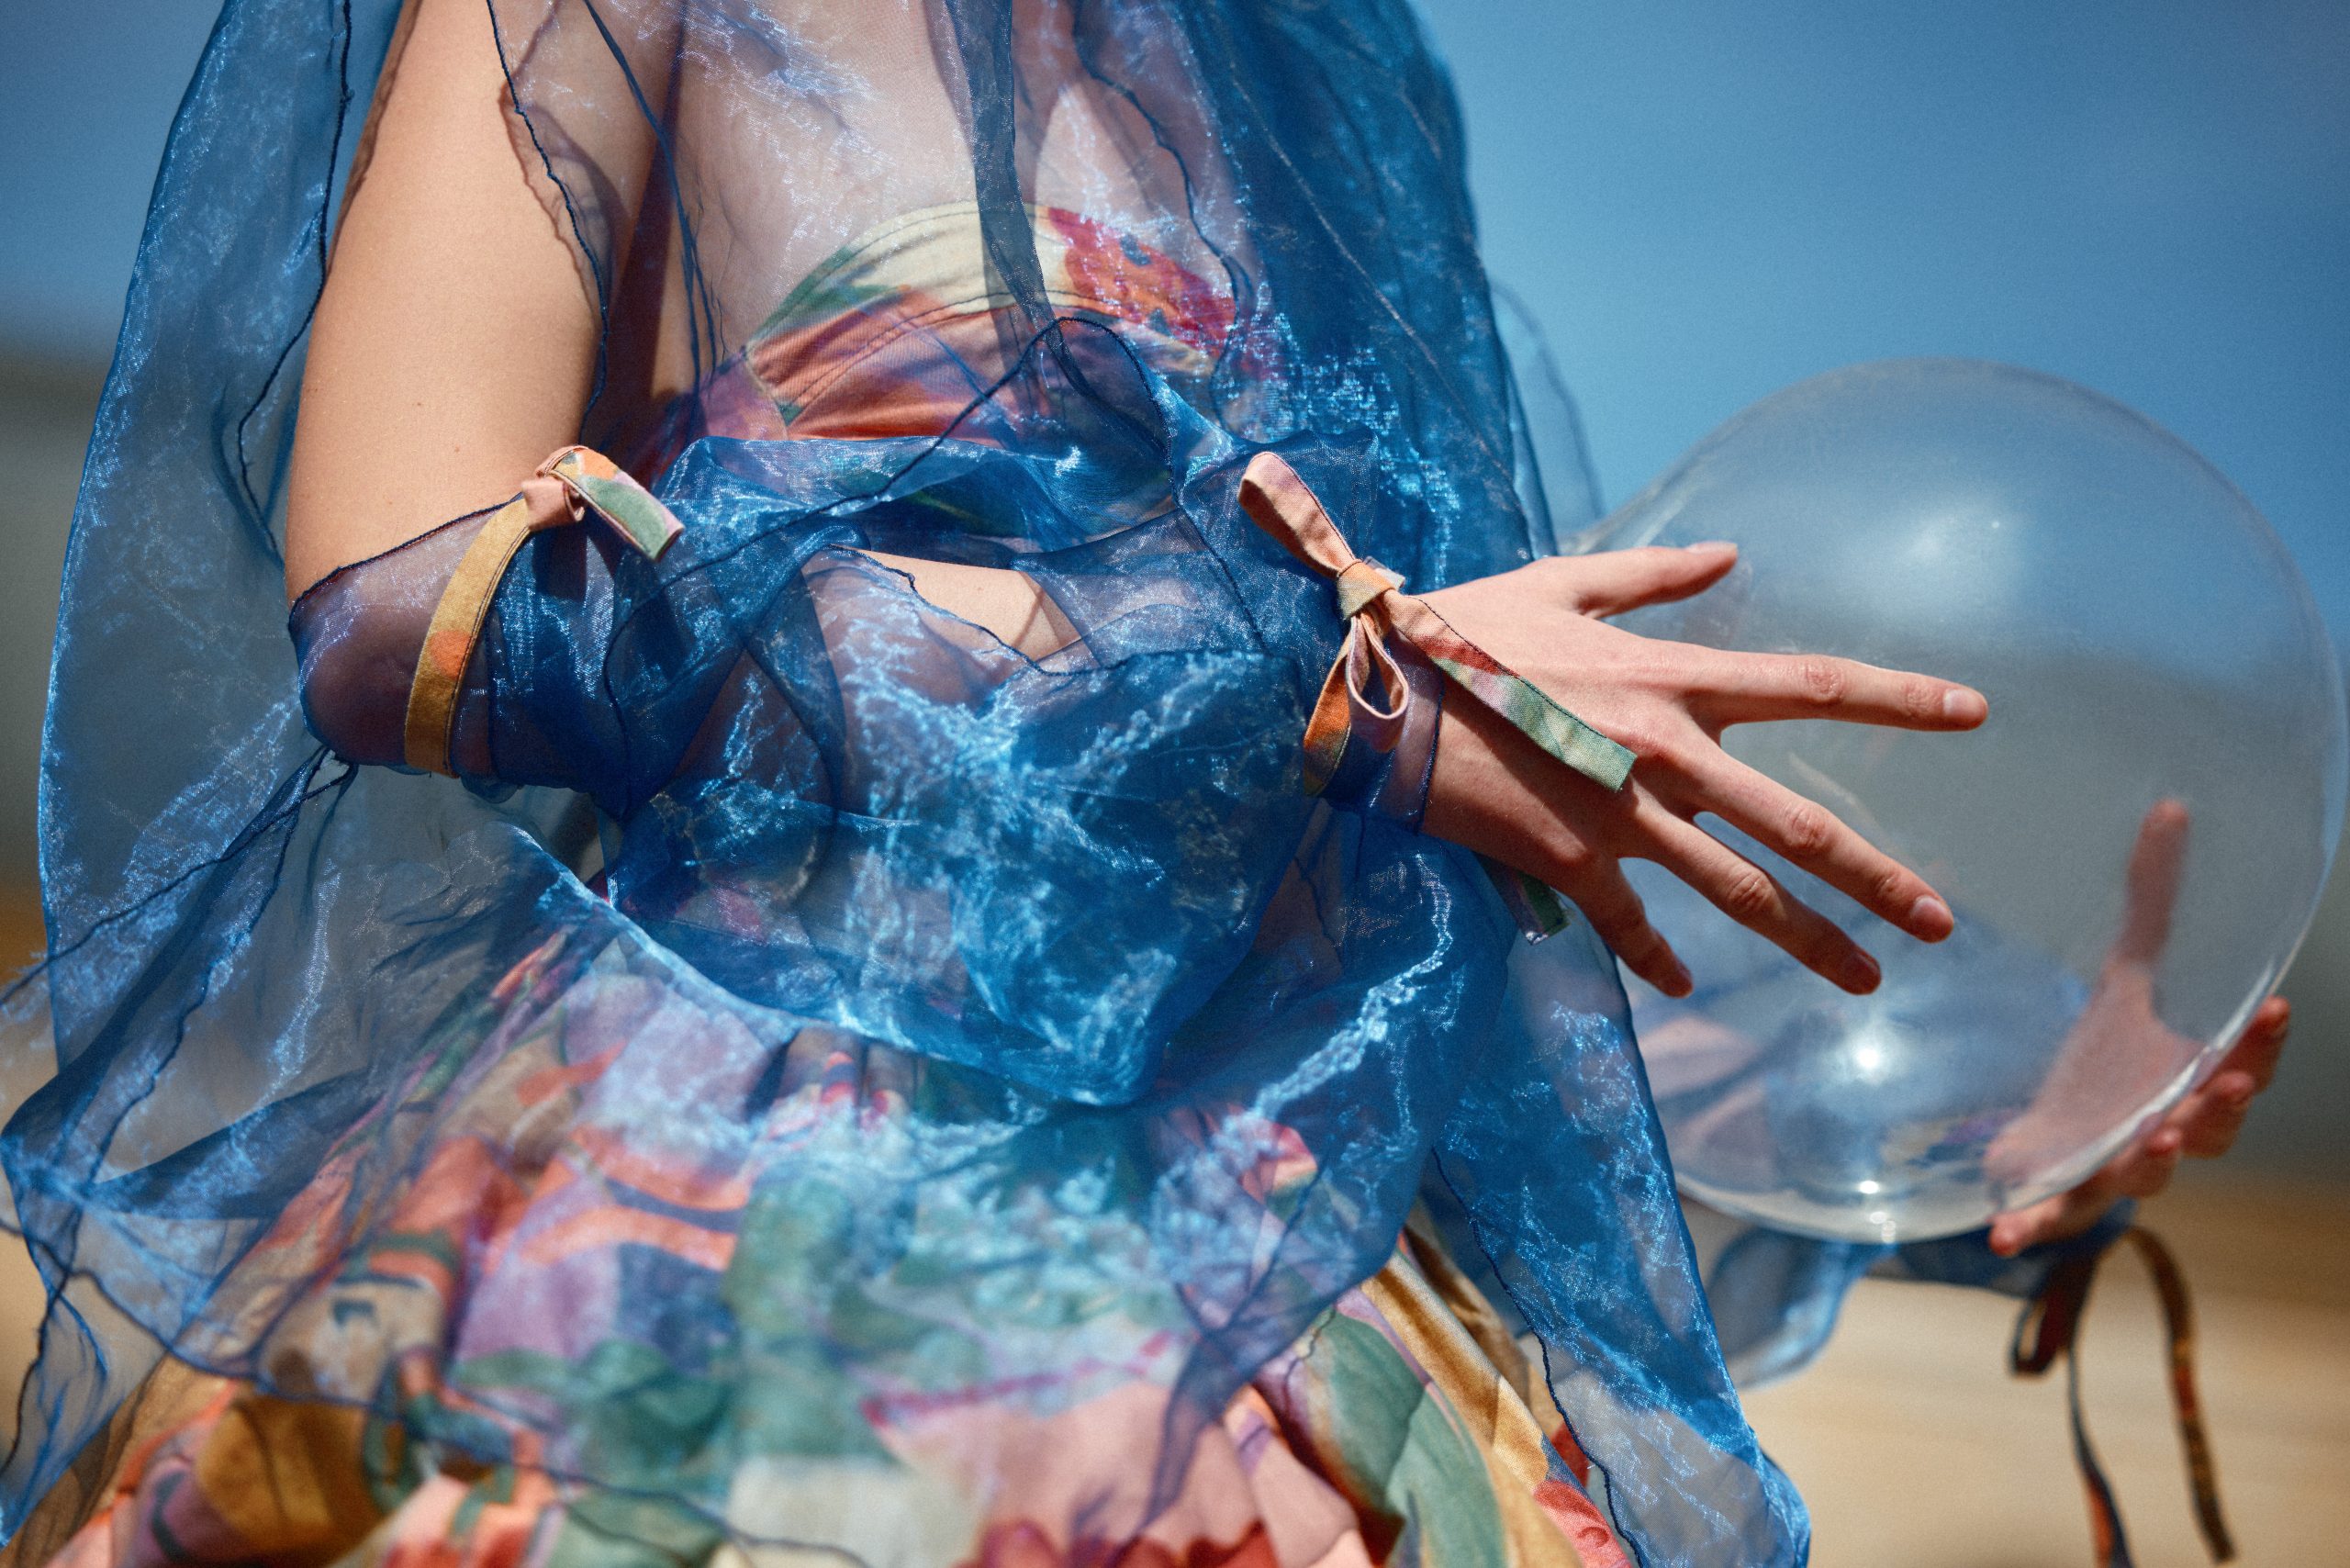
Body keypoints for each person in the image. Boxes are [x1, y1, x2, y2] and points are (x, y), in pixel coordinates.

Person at [0, 2, 2286, 1566]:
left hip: (1309, 1309)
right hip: (781, 1205)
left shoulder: (1327, 71)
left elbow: (1406, 979)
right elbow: (405, 605)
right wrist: (1299, 678)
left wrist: (1944, 1132)